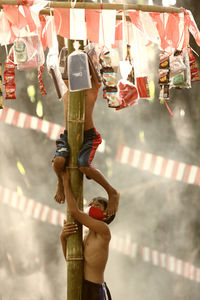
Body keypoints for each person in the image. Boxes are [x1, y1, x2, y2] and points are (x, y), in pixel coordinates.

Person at [52, 44, 119, 216]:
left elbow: (91, 64)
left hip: (89, 136)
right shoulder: (67, 82)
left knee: (83, 166)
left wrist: (89, 54)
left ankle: (112, 192)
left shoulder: (93, 85)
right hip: (69, 134)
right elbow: (64, 60)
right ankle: (60, 182)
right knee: (59, 162)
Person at [60, 170, 114, 300]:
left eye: (97, 206)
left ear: (106, 214)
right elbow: (70, 259)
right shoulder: (86, 234)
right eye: (91, 205)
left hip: (96, 290)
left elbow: (74, 212)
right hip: (82, 287)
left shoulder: (104, 230)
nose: (92, 207)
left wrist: (66, 183)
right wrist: (63, 237)